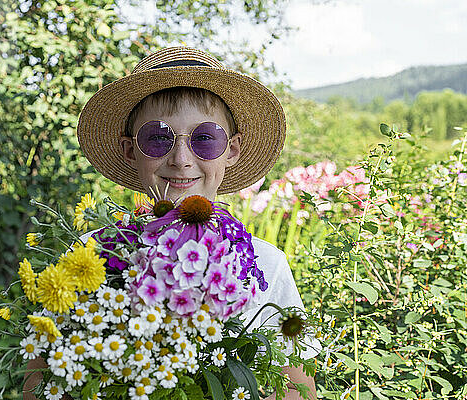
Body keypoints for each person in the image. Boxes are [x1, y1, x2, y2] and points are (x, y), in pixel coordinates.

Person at [24, 46, 319, 400]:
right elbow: (39, 383)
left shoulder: (265, 263)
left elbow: (297, 388)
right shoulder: (91, 253)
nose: (181, 160)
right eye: (159, 138)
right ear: (131, 150)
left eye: (205, 139)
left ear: (233, 150)